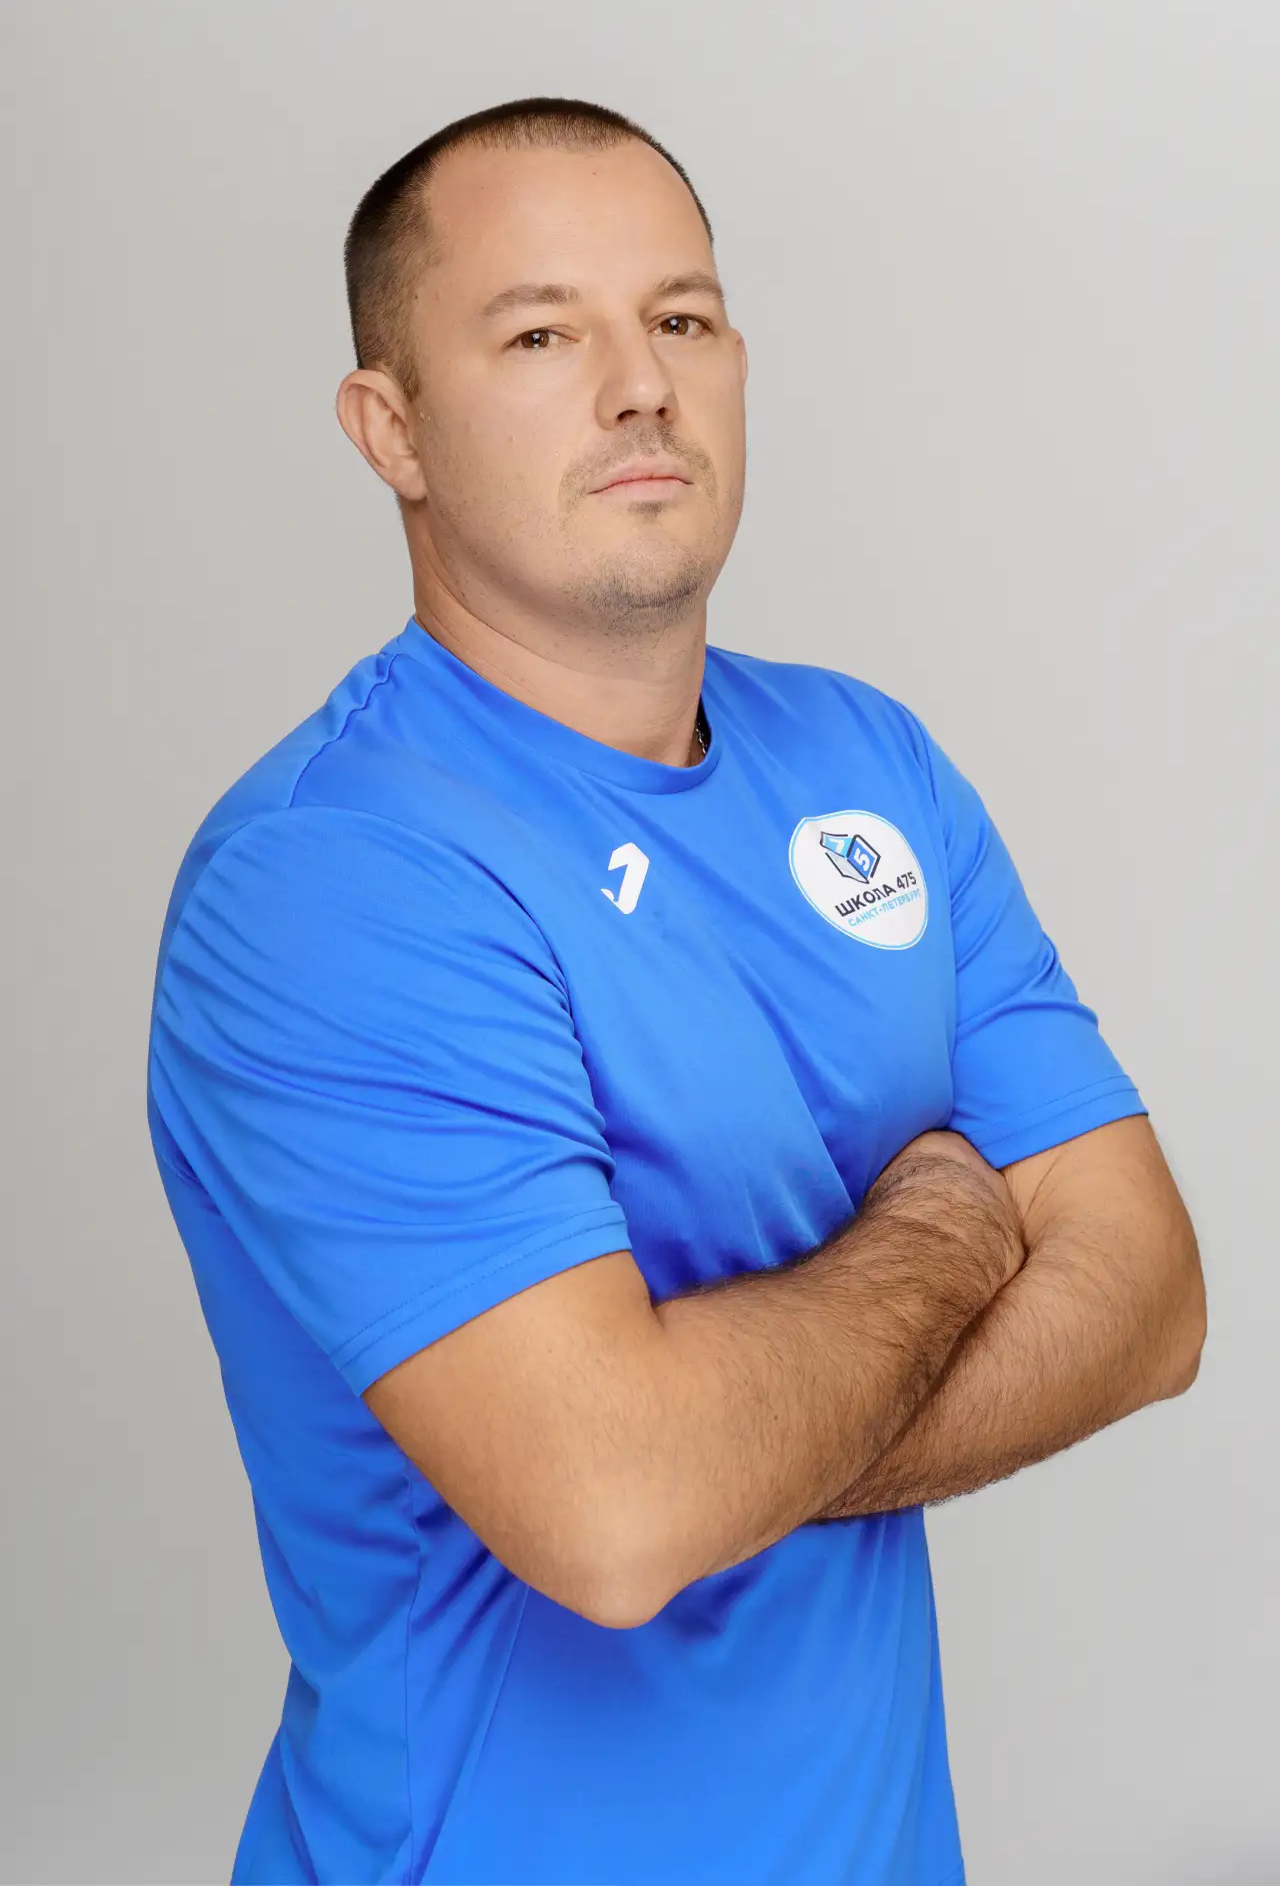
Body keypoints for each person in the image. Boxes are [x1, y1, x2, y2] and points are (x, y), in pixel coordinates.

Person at [145, 97, 1205, 1886]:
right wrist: (947, 1224)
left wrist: (729, 1440)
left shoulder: (871, 761)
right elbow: (617, 1512)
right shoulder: (335, 876)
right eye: (540, 335)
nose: (639, 384)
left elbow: (1151, 1296)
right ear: (391, 429)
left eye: (682, 318)